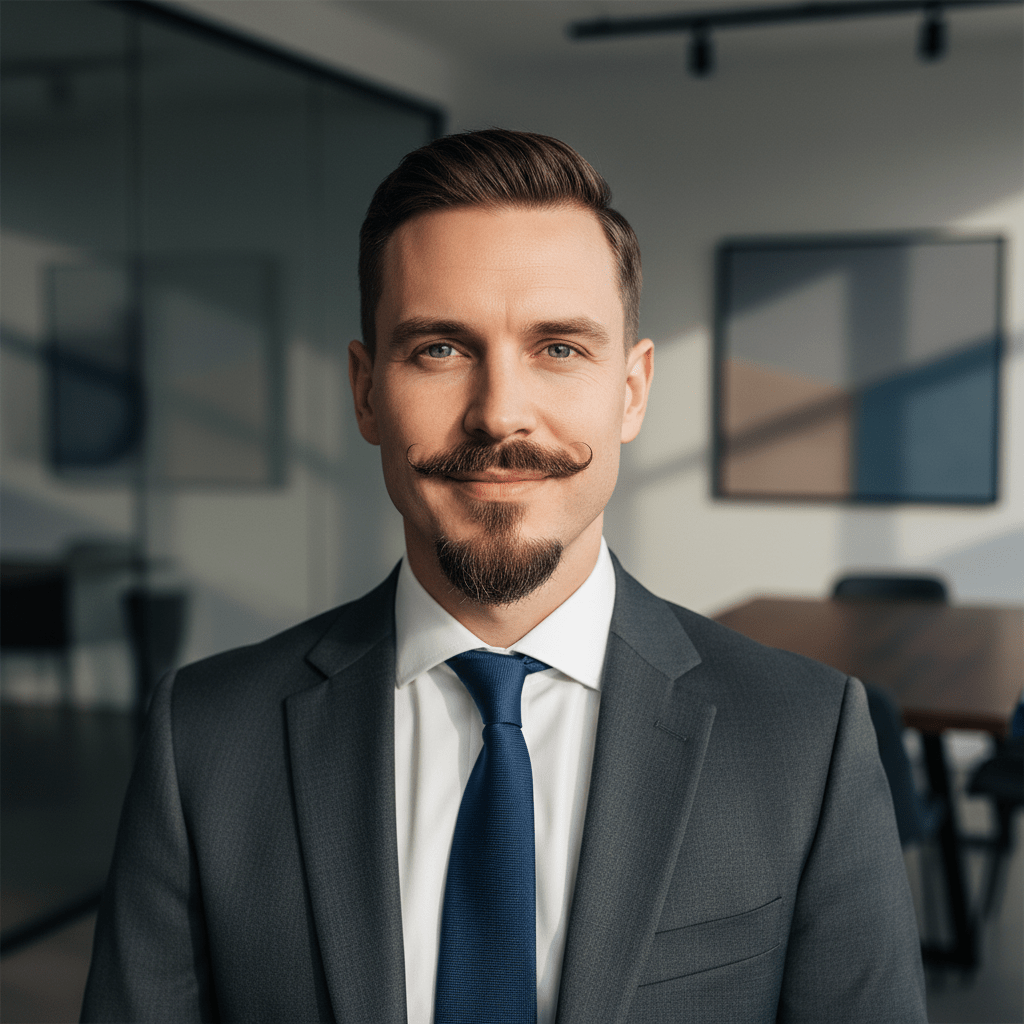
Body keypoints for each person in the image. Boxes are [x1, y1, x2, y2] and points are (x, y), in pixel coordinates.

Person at [82, 129, 927, 1023]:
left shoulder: (808, 737)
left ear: (632, 389)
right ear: (365, 391)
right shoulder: (203, 738)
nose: (500, 414)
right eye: (440, 349)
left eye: (559, 348)